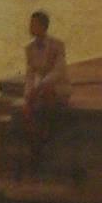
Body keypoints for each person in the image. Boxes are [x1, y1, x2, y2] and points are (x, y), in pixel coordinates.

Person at [6, 9, 69, 175]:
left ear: (43, 26)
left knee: (47, 92)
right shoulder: (29, 48)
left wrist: (40, 87)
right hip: (41, 89)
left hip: (58, 87)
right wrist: (28, 95)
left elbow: (59, 71)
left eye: (34, 24)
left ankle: (47, 136)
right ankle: (38, 145)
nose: (30, 27)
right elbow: (30, 75)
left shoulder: (57, 45)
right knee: (28, 107)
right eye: (30, 23)